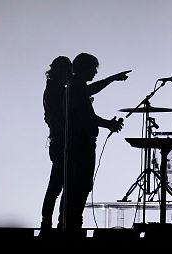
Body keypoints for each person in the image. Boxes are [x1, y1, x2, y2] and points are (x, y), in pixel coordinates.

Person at [57, 53, 130, 229]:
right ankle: (71, 223)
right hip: (81, 145)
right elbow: (87, 116)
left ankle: (68, 222)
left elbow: (92, 91)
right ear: (85, 68)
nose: (95, 72)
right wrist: (108, 124)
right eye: (93, 68)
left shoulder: (75, 86)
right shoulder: (76, 87)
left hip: (79, 143)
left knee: (75, 186)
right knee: (79, 186)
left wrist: (112, 79)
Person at [40, 56, 72, 231]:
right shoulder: (56, 90)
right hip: (62, 142)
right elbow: (58, 117)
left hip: (57, 141)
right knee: (59, 185)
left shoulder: (53, 89)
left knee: (57, 185)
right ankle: (56, 223)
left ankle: (50, 222)